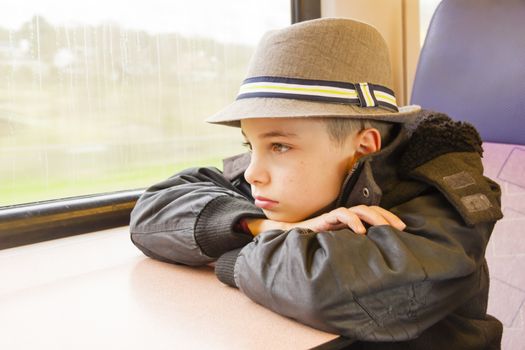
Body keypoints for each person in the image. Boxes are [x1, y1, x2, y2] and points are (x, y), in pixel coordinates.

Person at [130, 18, 503, 349]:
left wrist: (230, 259)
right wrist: (263, 226)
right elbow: (152, 213)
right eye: (250, 144)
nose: (251, 173)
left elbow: (324, 289)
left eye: (279, 146)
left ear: (362, 149)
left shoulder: (444, 202)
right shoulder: (281, 182)